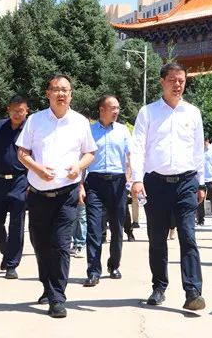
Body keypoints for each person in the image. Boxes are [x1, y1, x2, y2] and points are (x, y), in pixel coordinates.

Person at [16, 74, 97, 319]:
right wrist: (38, 169)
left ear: (71, 94)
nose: (61, 94)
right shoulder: (35, 120)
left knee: (61, 245)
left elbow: (90, 153)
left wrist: (78, 167)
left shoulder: (80, 122)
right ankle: (47, 285)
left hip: (66, 194)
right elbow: (22, 152)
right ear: (48, 93)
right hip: (38, 194)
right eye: (56, 89)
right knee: (41, 244)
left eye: (65, 90)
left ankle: (58, 297)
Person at [130, 62, 206, 311]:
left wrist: (201, 182)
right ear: (162, 81)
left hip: (186, 182)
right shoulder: (148, 113)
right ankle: (159, 286)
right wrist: (137, 179)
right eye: (172, 80)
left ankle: (193, 291)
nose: (177, 85)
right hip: (156, 184)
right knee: (157, 238)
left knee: (188, 235)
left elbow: (198, 150)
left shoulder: (193, 113)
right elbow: (138, 147)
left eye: (181, 80)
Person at [83, 94, 133, 287]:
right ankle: (93, 271)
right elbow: (82, 157)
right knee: (94, 228)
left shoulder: (122, 131)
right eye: (113, 108)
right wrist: (79, 184)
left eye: (118, 108)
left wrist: (131, 178)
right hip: (95, 183)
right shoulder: (89, 131)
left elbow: (130, 155)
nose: (116, 111)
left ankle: (114, 265)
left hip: (117, 182)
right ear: (101, 110)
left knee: (117, 228)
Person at [0, 95, 29, 280]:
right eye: (14, 110)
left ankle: (12, 264)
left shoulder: (30, 129)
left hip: (21, 181)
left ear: (26, 111)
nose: (17, 114)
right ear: (8, 109)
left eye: (21, 111)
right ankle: (6, 252)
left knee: (16, 224)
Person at [197, 138, 212, 226]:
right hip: (201, 179)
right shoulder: (198, 150)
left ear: (207, 140)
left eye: (204, 141)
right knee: (200, 199)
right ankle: (200, 220)